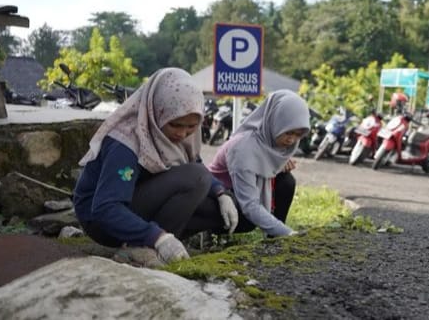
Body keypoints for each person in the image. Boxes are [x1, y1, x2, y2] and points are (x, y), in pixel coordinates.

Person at [73, 68, 238, 264]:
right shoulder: (127, 141)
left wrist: (221, 193)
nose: (183, 134)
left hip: (138, 202)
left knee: (216, 209)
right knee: (196, 178)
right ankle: (144, 247)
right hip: (100, 222)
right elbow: (105, 208)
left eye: (191, 126)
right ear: (156, 112)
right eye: (175, 125)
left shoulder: (181, 134)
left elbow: (194, 162)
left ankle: (154, 241)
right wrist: (157, 237)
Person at [204, 90, 311, 237]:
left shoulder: (271, 142)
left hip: (240, 189)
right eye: (288, 132)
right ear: (274, 122)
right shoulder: (243, 148)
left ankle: (274, 239)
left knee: (286, 181)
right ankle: (211, 232)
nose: (291, 140)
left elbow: (264, 165)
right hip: (218, 195)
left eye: (298, 135)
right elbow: (249, 205)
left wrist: (278, 167)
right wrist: (288, 233)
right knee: (247, 219)